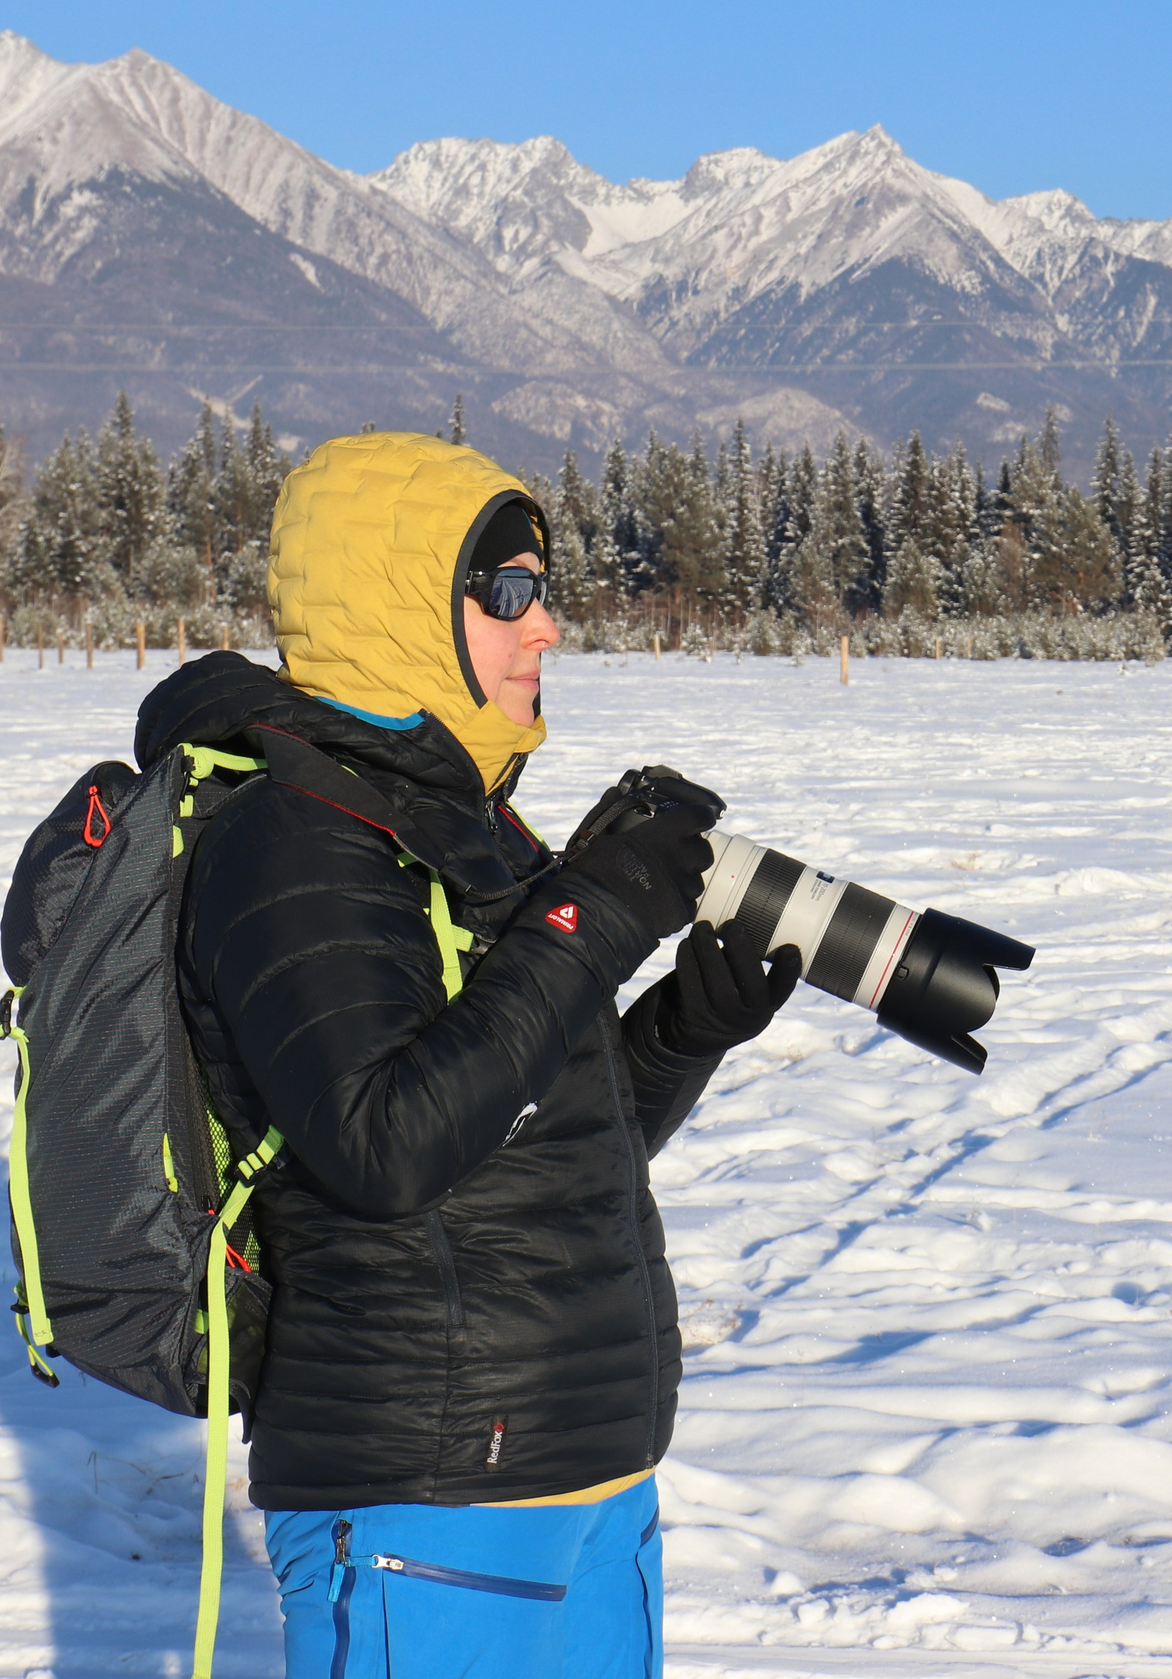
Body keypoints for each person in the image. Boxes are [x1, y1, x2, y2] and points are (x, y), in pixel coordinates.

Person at [133, 430, 796, 1677]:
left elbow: (513, 1140)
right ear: (397, 605)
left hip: (583, 1481)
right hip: (428, 1504)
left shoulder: (463, 815)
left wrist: (674, 1036)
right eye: (505, 594)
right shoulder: (290, 840)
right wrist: (588, 917)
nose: (545, 627)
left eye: (543, 589)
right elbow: (384, 1147)